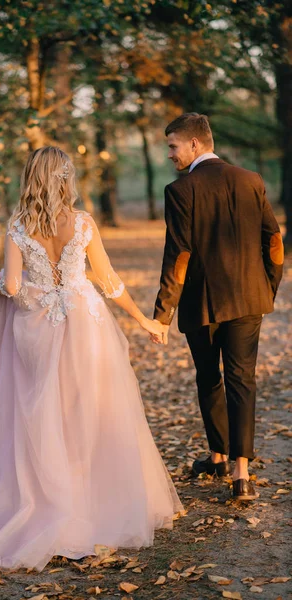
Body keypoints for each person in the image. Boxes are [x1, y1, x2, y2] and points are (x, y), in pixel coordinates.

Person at [0, 146, 183, 572]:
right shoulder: (84, 224)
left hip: (36, 331)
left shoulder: (18, 226)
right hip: (84, 326)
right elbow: (109, 282)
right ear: (64, 178)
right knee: (86, 415)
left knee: (40, 417)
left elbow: (15, 286)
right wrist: (143, 320)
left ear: (31, 178)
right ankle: (88, 509)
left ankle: (46, 506)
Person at [152, 113, 284, 501]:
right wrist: (267, 289)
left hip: (202, 302)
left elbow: (179, 256)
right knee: (242, 380)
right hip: (249, 299)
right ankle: (239, 474)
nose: (170, 155)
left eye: (173, 146)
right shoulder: (251, 180)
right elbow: (273, 241)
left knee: (209, 377)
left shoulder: (181, 191)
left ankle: (219, 456)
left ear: (195, 144)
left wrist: (163, 314)